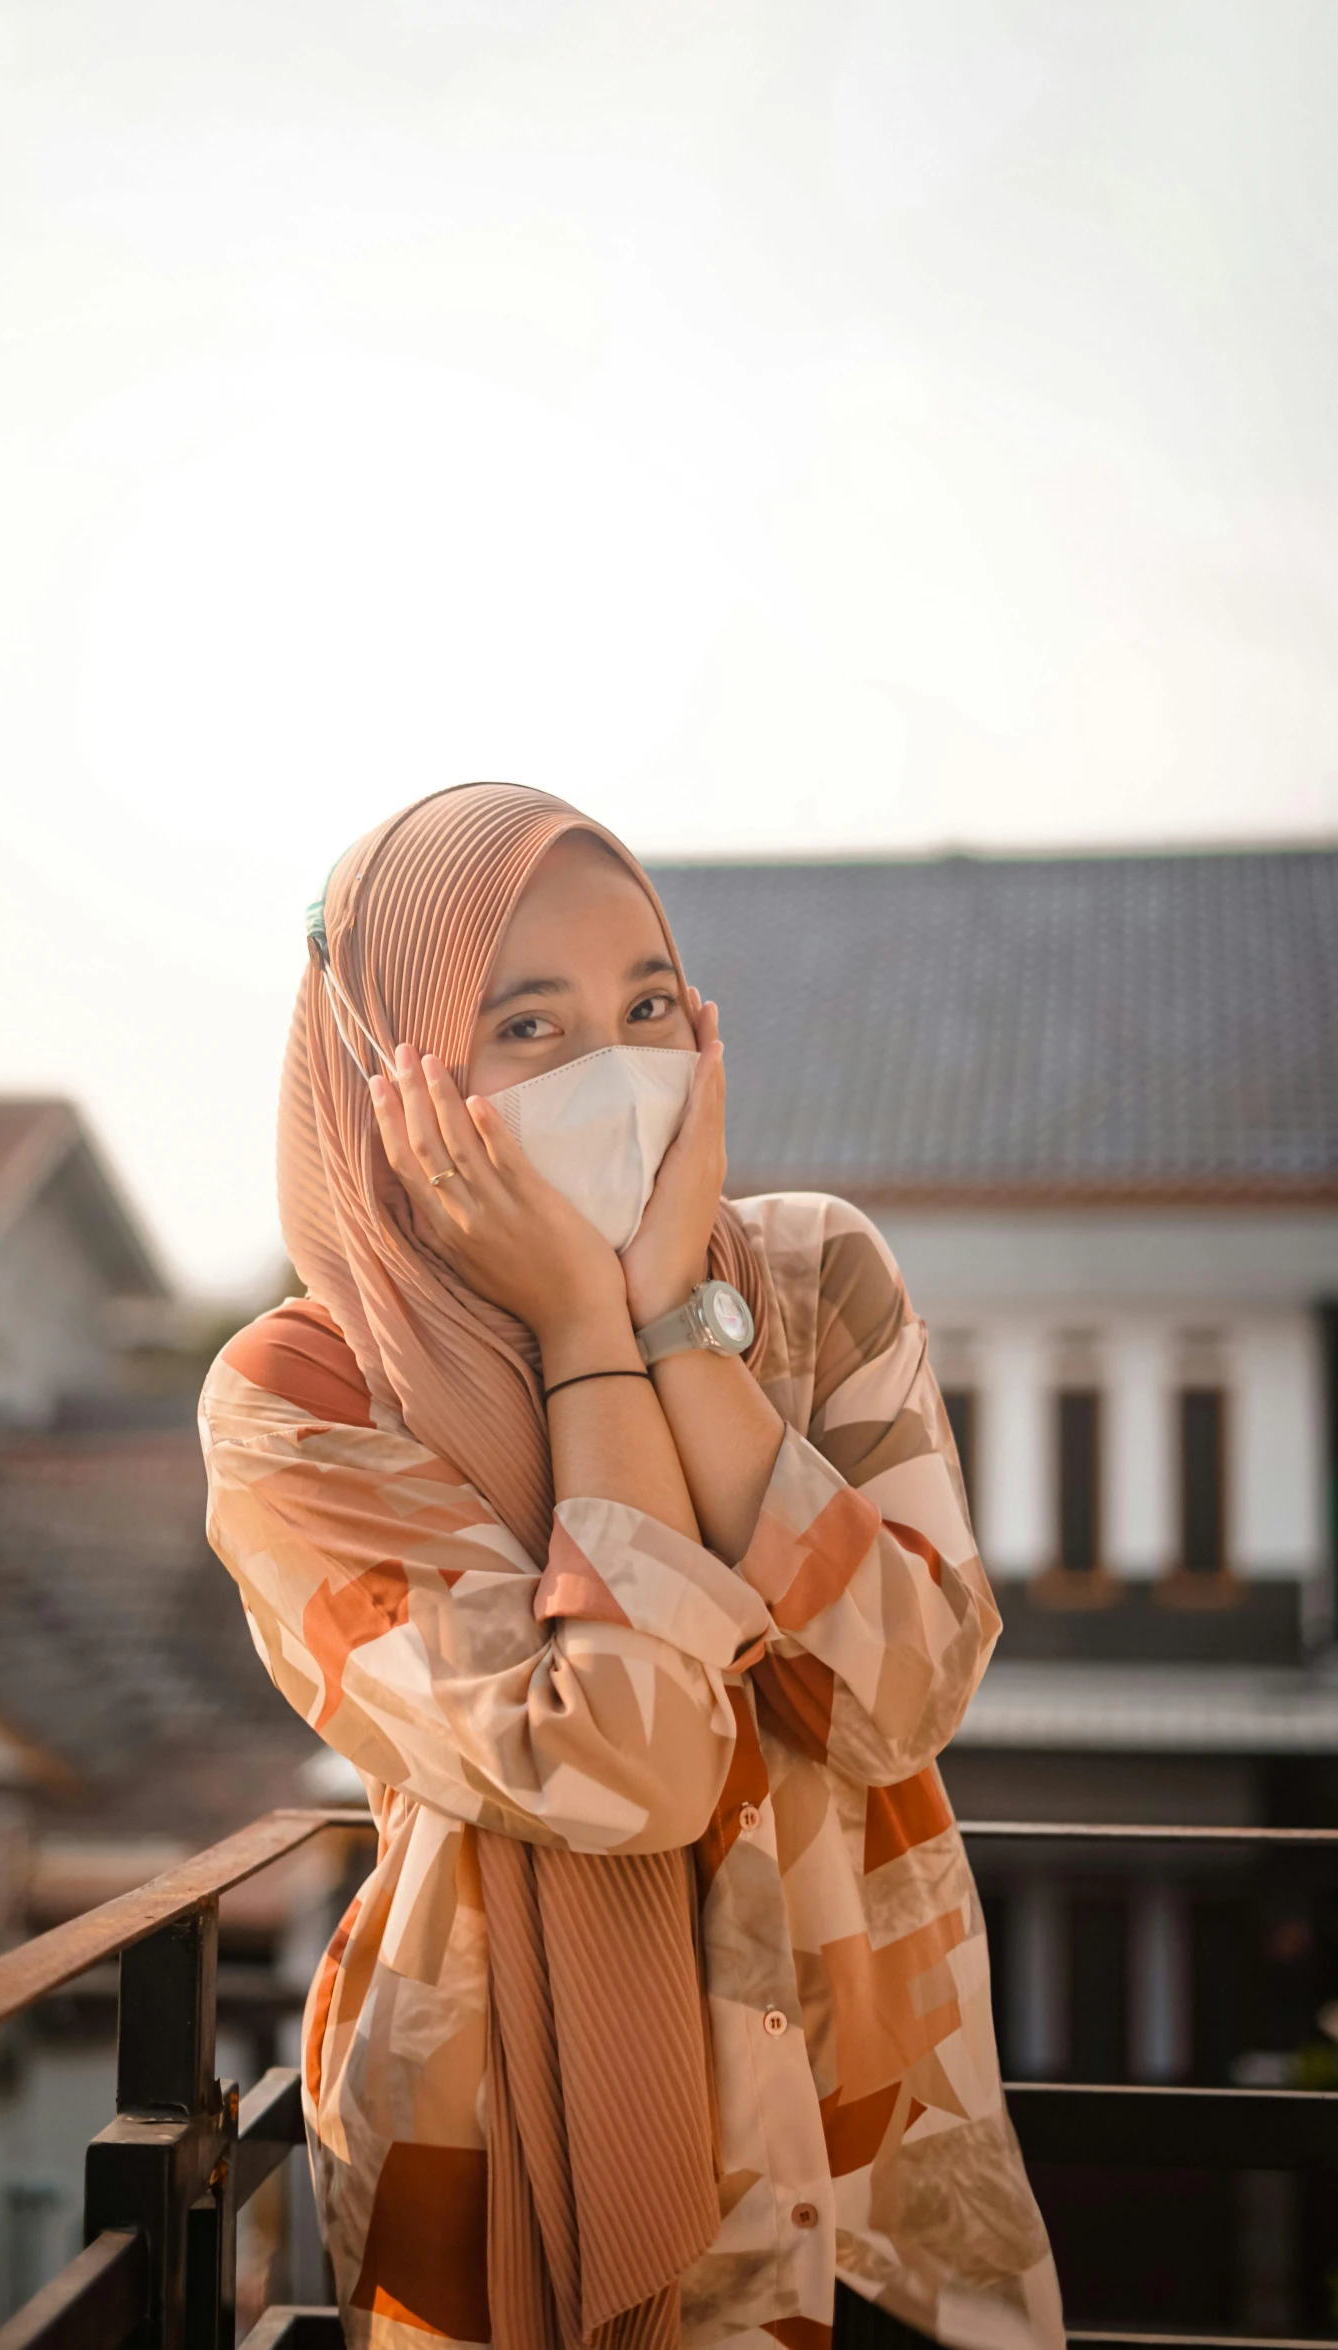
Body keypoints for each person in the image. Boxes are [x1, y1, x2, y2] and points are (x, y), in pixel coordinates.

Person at [200, 782, 1062, 2350]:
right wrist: (590, 1341)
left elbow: (908, 1693)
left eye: (646, 1001)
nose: (613, 1066)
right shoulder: (302, 1399)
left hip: (864, 2140)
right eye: (527, 1025)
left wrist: (681, 1330)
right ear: (391, 1075)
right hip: (494, 2153)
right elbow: (626, 1761)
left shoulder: (811, 1280)